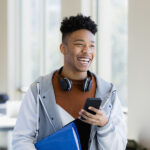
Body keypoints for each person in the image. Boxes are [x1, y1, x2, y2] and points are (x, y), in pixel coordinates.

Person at [12, 14, 127, 150]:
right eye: (79, 44)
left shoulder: (108, 92)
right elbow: (21, 140)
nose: (86, 51)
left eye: (91, 46)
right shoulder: (39, 90)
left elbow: (119, 147)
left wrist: (104, 125)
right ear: (63, 48)